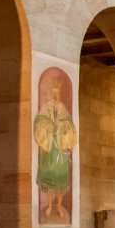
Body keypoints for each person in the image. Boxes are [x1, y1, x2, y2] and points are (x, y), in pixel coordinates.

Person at [33, 79, 76, 219]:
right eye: (54, 92)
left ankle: (59, 206)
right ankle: (50, 206)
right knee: (50, 177)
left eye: (58, 92)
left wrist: (64, 125)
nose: (56, 95)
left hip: (60, 147)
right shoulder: (46, 107)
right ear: (52, 93)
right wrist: (48, 125)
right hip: (50, 147)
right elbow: (38, 120)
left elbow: (70, 124)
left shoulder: (63, 108)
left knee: (60, 179)